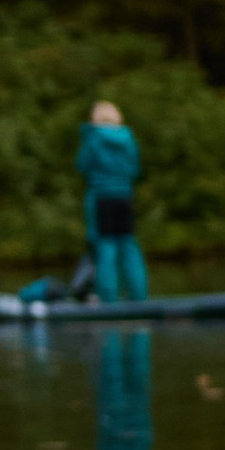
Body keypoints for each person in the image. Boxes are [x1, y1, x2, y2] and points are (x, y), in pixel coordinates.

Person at [77, 96, 148, 304]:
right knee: (128, 245)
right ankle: (139, 296)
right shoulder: (128, 139)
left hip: (101, 198)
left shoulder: (93, 139)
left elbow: (82, 166)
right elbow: (135, 168)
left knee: (106, 248)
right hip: (124, 197)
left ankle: (108, 300)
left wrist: (86, 134)